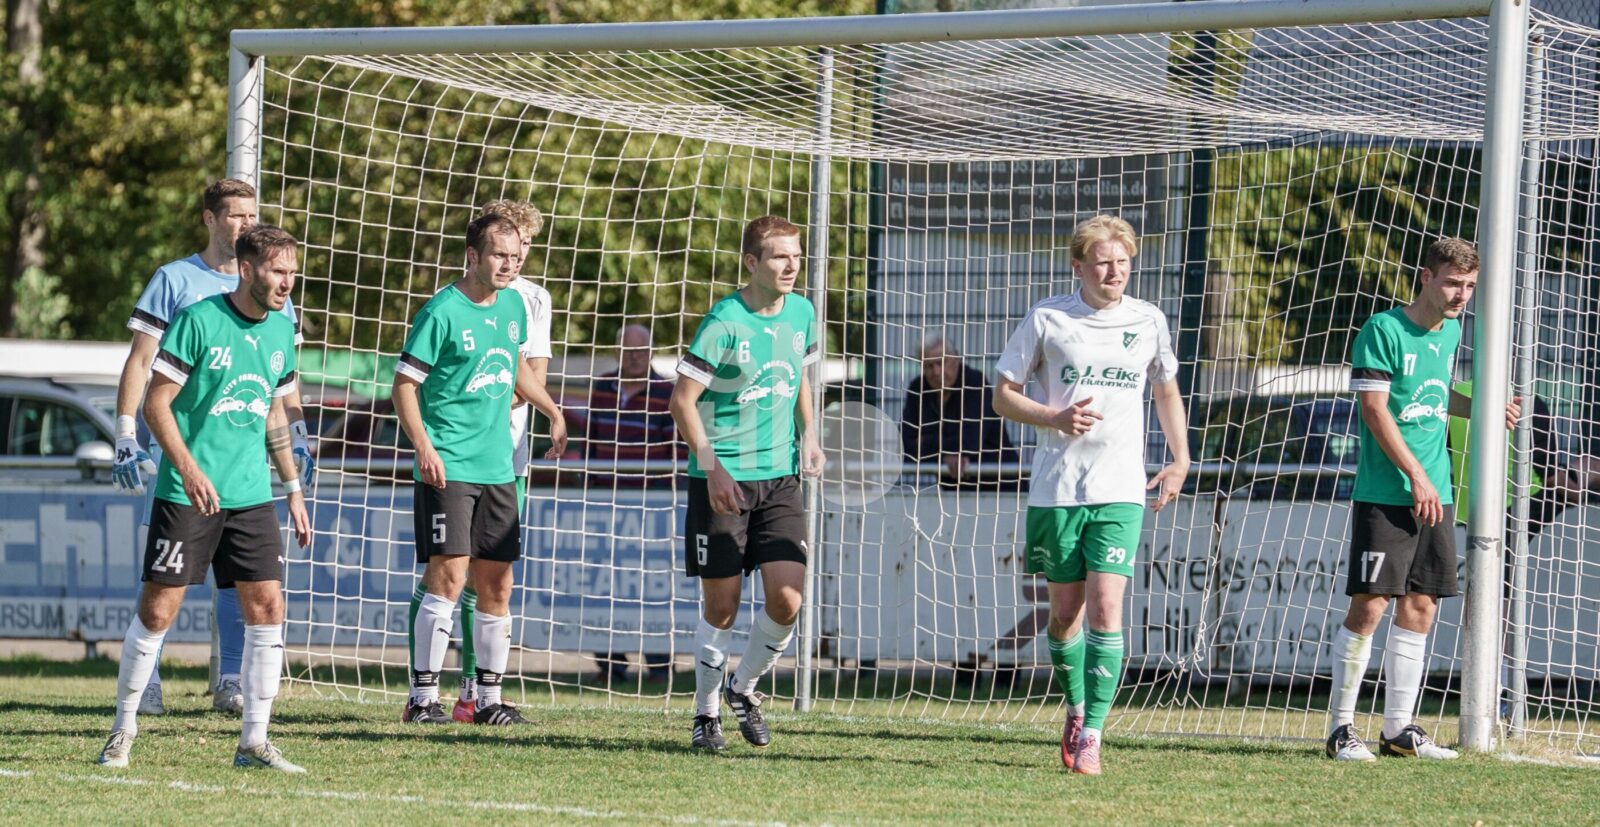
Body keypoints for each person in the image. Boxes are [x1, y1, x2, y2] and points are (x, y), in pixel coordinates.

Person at [97, 225, 313, 772]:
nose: (287, 282)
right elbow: (157, 404)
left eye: (292, 272)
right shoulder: (199, 320)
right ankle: (122, 730)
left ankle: (254, 742)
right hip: (187, 492)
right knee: (158, 610)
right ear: (247, 269)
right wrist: (189, 470)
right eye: (277, 271)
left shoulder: (281, 329)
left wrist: (292, 489)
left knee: (268, 607)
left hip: (251, 494)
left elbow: (273, 412)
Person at [992, 214, 1189, 776]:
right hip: (1057, 489)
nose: (1114, 272)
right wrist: (1052, 416)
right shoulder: (1048, 317)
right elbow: (1003, 395)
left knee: (1107, 607)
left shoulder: (1148, 320)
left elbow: (1166, 391)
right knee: (1064, 615)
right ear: (1078, 267)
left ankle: (1095, 734)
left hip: (1121, 488)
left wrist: (1180, 459)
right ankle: (1076, 708)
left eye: (1123, 262)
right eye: (1103, 262)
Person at [1327, 237, 1519, 762]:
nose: (1462, 295)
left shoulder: (1450, 332)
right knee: (1370, 605)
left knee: (1421, 604)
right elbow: (1375, 410)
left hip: (1435, 491)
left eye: (1470, 286)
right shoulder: (1383, 330)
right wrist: (1415, 474)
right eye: (1453, 283)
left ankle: (1398, 731)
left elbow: (1431, 396)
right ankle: (1340, 730)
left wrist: (1480, 407)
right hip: (1388, 491)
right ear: (1427, 277)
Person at [394, 213, 566, 726]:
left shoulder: (514, 306)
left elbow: (514, 368)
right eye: (499, 255)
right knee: (447, 576)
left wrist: (552, 409)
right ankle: (422, 699)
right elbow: (404, 386)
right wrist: (424, 446)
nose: (509, 264)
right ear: (472, 256)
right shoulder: (441, 311)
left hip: (497, 467)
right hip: (449, 465)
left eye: (515, 256)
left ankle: (487, 700)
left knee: (497, 584)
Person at [670, 215, 826, 751]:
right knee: (722, 608)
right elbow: (682, 402)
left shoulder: (802, 312)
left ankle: (743, 688)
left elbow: (799, 377)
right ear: (752, 262)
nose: (791, 265)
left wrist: (809, 434)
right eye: (780, 256)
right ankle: (706, 713)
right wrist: (712, 466)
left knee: (788, 600)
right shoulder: (724, 321)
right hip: (723, 480)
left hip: (780, 478)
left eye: (797, 256)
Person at [588, 323, 678, 681]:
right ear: (617, 352)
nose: (636, 357)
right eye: (629, 350)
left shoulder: (667, 392)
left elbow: (675, 451)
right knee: (606, 580)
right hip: (606, 500)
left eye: (642, 350)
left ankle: (659, 664)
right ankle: (610, 664)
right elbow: (591, 441)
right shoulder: (601, 388)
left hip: (651, 503)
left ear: (652, 352)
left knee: (653, 581)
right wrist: (590, 488)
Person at [900, 332, 1018, 483]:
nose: (936, 372)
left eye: (941, 363)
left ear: (956, 359)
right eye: (928, 366)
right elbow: (905, 446)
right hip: (954, 487)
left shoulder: (975, 383)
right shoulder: (918, 388)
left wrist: (925, 442)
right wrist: (945, 456)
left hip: (999, 482)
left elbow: (970, 443)